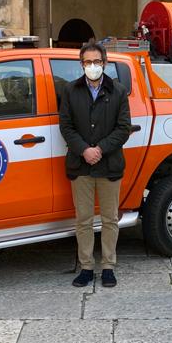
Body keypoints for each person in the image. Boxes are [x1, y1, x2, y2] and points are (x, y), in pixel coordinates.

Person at [59, 41, 132, 288]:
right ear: (81, 64)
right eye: (88, 62)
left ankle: (108, 266)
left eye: (97, 62)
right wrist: (84, 150)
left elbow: (123, 128)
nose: (92, 66)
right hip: (81, 166)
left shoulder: (119, 91)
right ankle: (87, 266)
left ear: (105, 63)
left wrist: (99, 149)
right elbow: (66, 126)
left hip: (109, 163)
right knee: (84, 219)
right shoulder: (71, 90)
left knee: (110, 218)